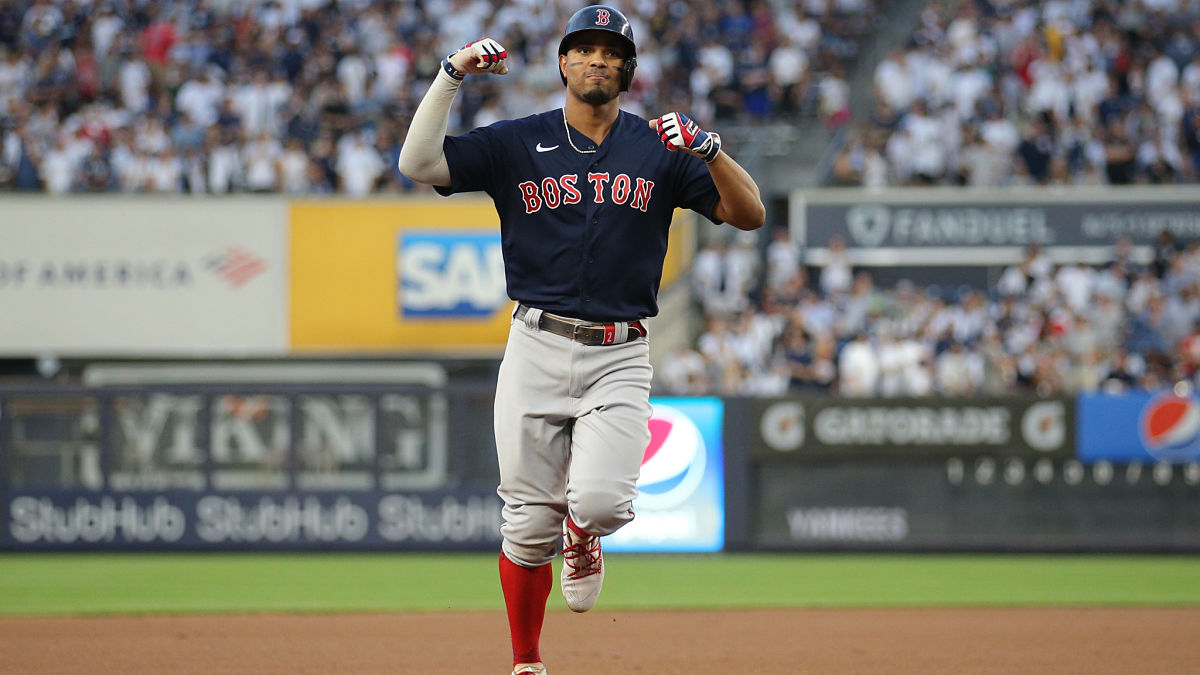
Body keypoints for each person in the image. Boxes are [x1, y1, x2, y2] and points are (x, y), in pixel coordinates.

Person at [397, 6, 764, 674]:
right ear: (563, 63)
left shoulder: (660, 148)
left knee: (596, 502)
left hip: (620, 349)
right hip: (535, 341)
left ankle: (585, 532)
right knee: (524, 526)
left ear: (628, 68)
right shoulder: (518, 141)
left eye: (609, 51)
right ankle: (527, 660)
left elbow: (750, 213)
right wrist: (451, 73)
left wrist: (709, 150)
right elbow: (418, 161)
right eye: (583, 50)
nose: (596, 59)